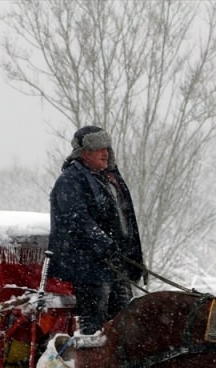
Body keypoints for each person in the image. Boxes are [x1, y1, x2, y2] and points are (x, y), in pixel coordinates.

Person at [48, 125, 145, 334]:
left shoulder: (111, 179)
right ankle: (90, 353)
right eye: (98, 148)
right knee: (95, 329)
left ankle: (114, 354)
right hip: (87, 270)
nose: (105, 153)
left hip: (115, 265)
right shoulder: (70, 181)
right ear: (82, 153)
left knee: (124, 326)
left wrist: (132, 256)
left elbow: (127, 221)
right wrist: (105, 245)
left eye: (107, 148)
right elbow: (77, 220)